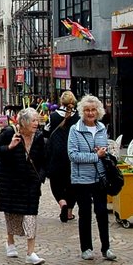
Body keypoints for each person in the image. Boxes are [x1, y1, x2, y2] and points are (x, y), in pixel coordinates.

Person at [0, 107, 46, 265]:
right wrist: (9, 147)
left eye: (37, 120)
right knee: (12, 214)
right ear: (23, 122)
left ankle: (30, 252)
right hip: (11, 182)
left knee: (31, 216)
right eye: (33, 121)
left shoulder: (39, 137)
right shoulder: (9, 133)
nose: (36, 124)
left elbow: (43, 159)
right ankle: (10, 241)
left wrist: (39, 177)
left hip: (31, 183)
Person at [68, 94, 116, 262]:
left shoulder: (102, 128)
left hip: (100, 177)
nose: (90, 113)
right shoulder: (75, 129)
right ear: (82, 111)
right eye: (87, 110)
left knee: (102, 212)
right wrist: (96, 156)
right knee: (85, 213)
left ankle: (106, 247)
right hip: (82, 179)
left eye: (93, 110)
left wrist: (105, 155)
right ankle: (86, 248)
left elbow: (105, 151)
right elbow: (73, 155)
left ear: (98, 111)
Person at [46, 91, 79, 222]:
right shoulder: (78, 117)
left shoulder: (53, 116)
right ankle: (70, 211)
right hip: (73, 154)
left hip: (56, 154)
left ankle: (62, 203)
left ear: (61, 102)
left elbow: (46, 132)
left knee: (56, 182)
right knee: (73, 183)